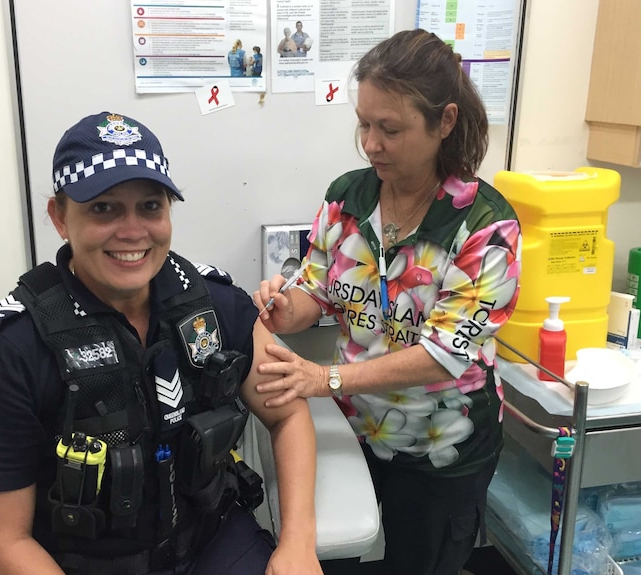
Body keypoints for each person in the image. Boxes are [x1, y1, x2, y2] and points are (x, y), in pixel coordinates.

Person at [0, 111, 323, 575]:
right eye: (103, 208)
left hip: (211, 542)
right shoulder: (6, 352)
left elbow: (287, 412)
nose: (133, 231)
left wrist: (298, 541)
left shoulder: (213, 304)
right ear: (59, 217)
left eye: (150, 206)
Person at [253, 29, 522, 575]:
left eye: (390, 129)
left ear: (444, 122)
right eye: (364, 124)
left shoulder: (485, 227)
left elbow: (445, 354)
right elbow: (318, 289)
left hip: (442, 448)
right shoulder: (348, 197)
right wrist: (287, 307)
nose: (371, 143)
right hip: (358, 430)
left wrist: (323, 378)